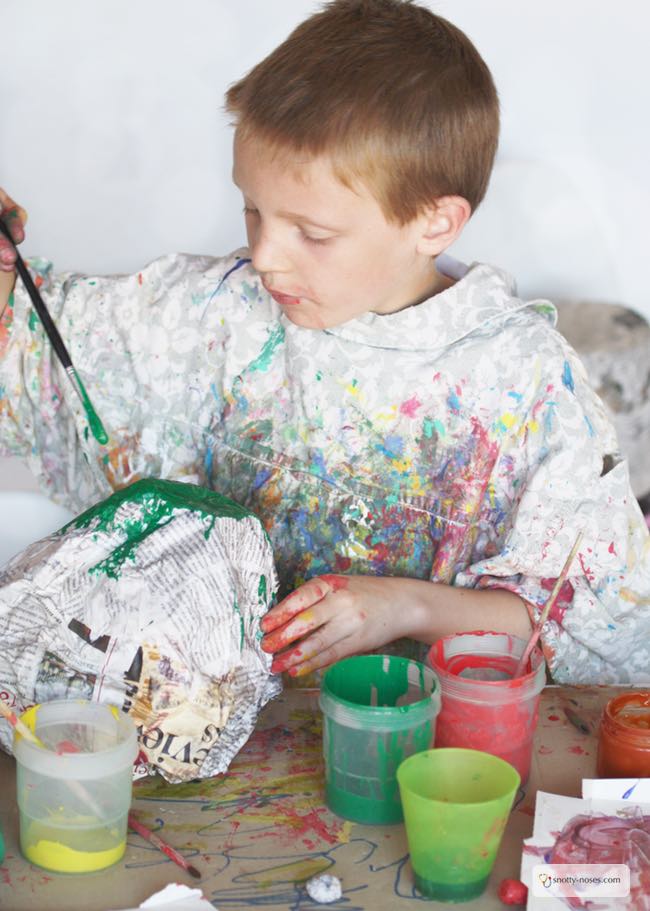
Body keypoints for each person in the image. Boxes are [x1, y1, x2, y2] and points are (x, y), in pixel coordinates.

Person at [1, 0, 648, 685]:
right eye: (252, 208)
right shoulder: (216, 312)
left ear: (434, 223)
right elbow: (30, 342)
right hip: (215, 738)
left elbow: (599, 622)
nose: (266, 255)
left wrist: (403, 606)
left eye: (311, 232)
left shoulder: (528, 383)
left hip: (436, 754)